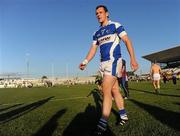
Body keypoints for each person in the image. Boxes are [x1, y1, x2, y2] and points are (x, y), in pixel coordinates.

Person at [79, 5, 138, 136]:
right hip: (103, 64)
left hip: (114, 61)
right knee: (115, 90)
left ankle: (102, 124)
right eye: (96, 13)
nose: (98, 15)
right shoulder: (96, 33)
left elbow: (127, 41)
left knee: (105, 90)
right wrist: (85, 61)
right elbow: (93, 49)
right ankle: (123, 116)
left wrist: (133, 59)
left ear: (107, 13)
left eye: (100, 12)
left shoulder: (115, 25)